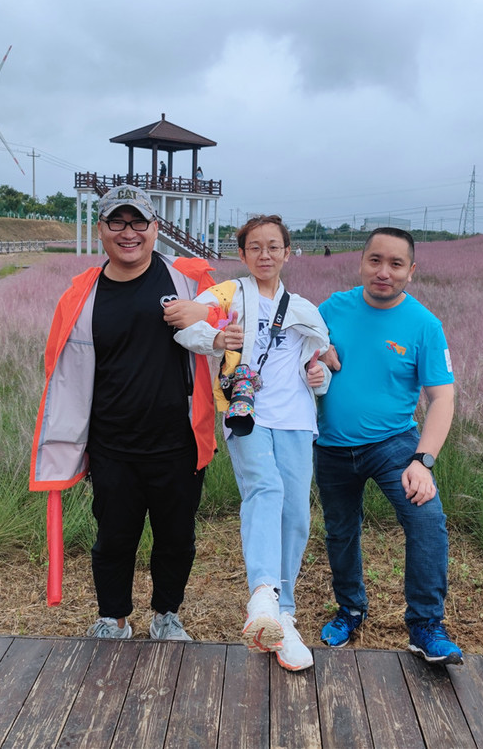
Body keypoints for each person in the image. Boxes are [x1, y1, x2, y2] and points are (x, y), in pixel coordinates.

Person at [30, 183, 219, 642]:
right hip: (112, 444)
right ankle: (112, 618)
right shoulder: (80, 296)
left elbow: (233, 330)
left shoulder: (191, 282)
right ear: (101, 230)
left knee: (176, 539)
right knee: (113, 538)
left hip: (179, 441)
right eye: (117, 221)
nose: (128, 232)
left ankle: (166, 614)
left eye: (138, 221)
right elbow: (60, 369)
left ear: (156, 228)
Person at [170, 214, 330, 672]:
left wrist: (319, 378)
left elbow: (318, 365)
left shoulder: (303, 307)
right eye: (254, 247)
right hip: (247, 412)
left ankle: (284, 613)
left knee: (296, 512)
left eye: (273, 246)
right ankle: (262, 596)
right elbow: (183, 327)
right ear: (241, 254)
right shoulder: (225, 294)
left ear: (286, 252)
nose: (265, 255)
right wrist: (218, 335)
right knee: (266, 489)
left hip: (297, 418)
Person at [313, 227, 463, 664]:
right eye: (375, 260)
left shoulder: (424, 325)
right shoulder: (330, 310)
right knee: (340, 530)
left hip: (394, 444)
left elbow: (442, 398)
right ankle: (351, 609)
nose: (384, 272)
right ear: (361, 263)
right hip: (331, 446)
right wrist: (315, 359)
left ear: (411, 271)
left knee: (427, 520)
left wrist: (423, 460)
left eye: (396, 264)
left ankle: (425, 626)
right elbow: (300, 355)